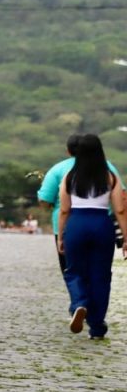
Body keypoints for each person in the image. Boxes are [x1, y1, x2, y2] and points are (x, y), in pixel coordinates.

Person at [57, 134, 127, 339]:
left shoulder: (70, 176)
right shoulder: (109, 176)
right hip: (101, 225)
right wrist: (126, 237)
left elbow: (64, 209)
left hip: (77, 224)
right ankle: (97, 326)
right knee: (101, 276)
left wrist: (61, 236)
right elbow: (120, 210)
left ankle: (79, 303)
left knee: (74, 271)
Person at [38, 134, 119, 275]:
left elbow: (45, 200)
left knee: (72, 272)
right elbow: (121, 197)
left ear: (68, 151)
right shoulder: (107, 167)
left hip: (66, 227)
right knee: (99, 272)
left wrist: (51, 206)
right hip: (102, 225)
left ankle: (79, 297)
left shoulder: (58, 169)